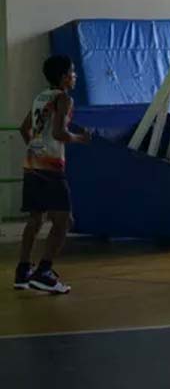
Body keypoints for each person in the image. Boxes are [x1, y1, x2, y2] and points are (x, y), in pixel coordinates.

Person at [13, 55, 91, 294]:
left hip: (32, 164)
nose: (75, 75)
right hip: (50, 166)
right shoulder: (64, 99)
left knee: (35, 219)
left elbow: (24, 128)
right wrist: (80, 138)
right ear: (64, 77)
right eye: (72, 71)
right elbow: (59, 133)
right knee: (65, 221)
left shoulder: (40, 97)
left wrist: (35, 148)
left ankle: (23, 270)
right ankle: (44, 272)